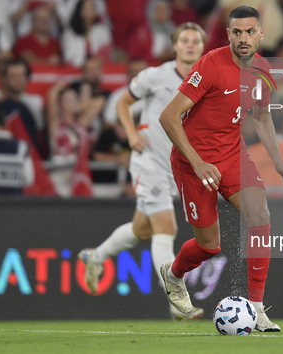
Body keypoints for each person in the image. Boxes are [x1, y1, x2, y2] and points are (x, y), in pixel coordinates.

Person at [158, 6, 283, 332]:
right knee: (210, 246)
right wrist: (197, 162)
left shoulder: (263, 69)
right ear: (228, 34)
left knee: (260, 214)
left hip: (233, 155)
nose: (243, 38)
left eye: (250, 31)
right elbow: (168, 116)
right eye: (237, 32)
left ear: (261, 34)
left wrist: (279, 164)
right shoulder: (210, 64)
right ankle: (174, 275)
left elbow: (262, 118)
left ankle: (256, 308)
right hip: (193, 161)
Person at [78, 23, 207, 320]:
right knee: (166, 229)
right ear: (175, 46)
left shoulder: (205, 80)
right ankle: (176, 303)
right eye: (184, 40)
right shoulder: (155, 75)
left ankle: (95, 256)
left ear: (202, 47)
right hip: (148, 161)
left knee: (142, 229)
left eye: (195, 41)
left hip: (175, 168)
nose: (189, 45)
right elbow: (123, 102)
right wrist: (131, 133)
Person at [0, 59, 43, 151]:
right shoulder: (0, 107)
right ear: (5, 79)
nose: (18, 80)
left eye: (22, 75)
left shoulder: (32, 104)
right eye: (13, 76)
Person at [61, 0, 113, 67]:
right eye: (87, 7)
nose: (90, 9)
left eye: (92, 7)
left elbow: (106, 55)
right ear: (79, 11)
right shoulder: (69, 33)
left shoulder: (103, 31)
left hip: (99, 71)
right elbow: (69, 57)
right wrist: (88, 63)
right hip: (76, 71)